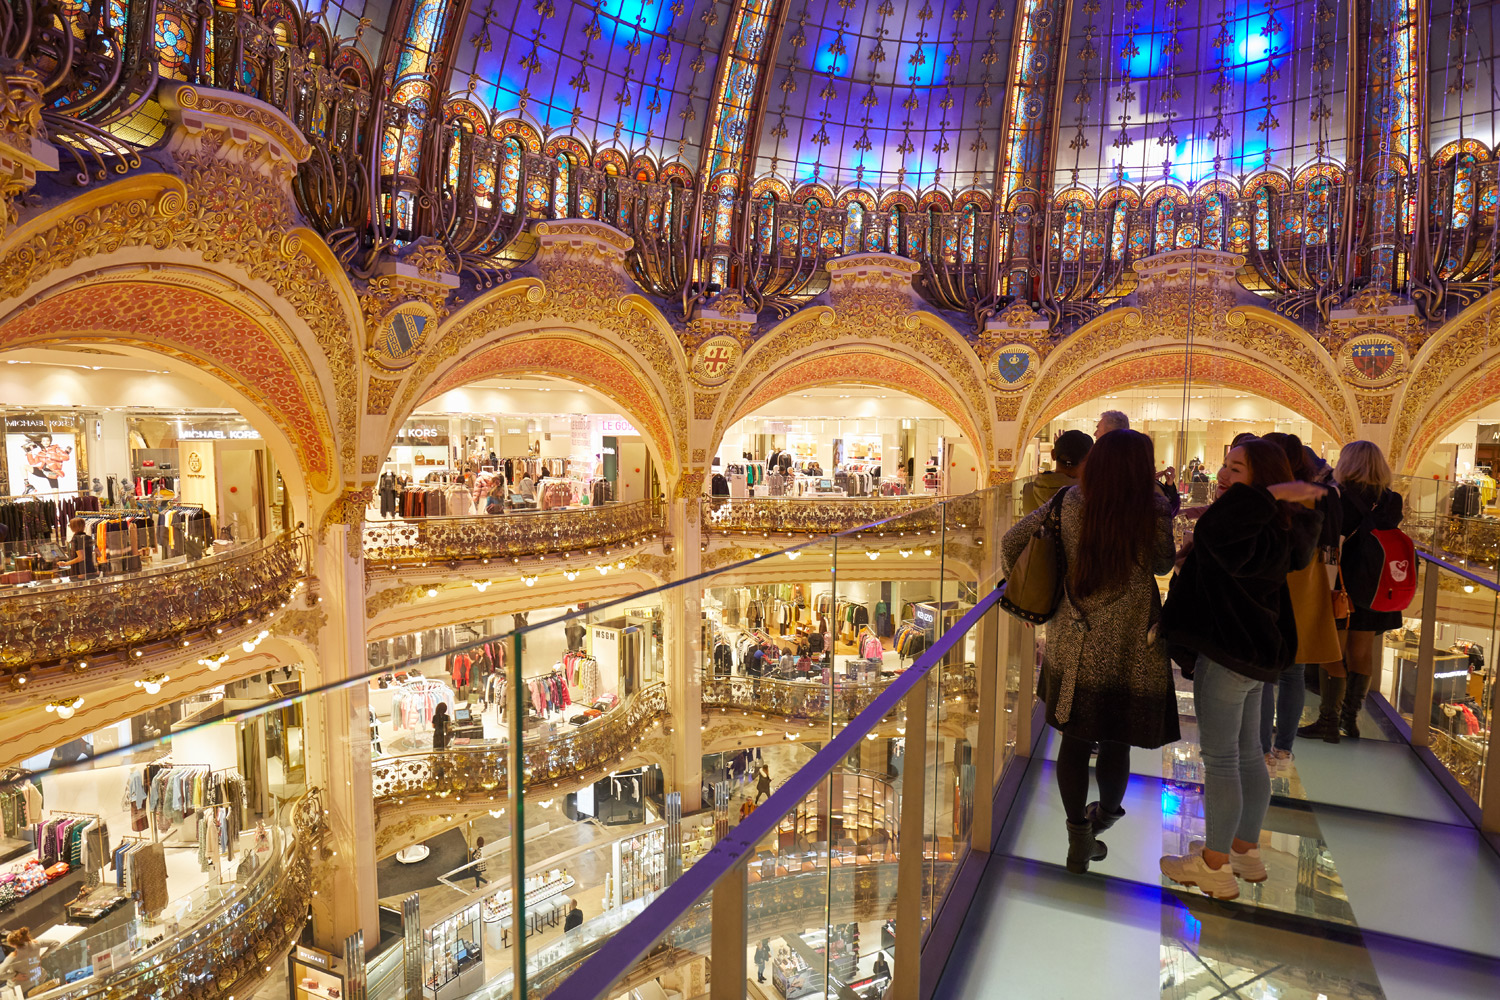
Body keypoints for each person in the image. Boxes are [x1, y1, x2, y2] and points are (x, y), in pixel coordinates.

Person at [1001, 429, 1178, 874]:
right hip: (1132, 638)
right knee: (1117, 739)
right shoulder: (1152, 506)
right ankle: (1107, 815)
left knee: (1074, 742)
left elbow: (1011, 543)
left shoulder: (1068, 501)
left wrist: (1032, 592)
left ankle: (1077, 837)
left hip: (1073, 632)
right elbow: (1162, 563)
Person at [1160, 440, 1323, 899]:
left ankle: (1213, 866)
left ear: (1261, 481)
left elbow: (1223, 541)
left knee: (1223, 762)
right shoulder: (1274, 522)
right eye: (1224, 464)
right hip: (1257, 651)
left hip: (1229, 652)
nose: (1225, 475)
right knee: (1249, 754)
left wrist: (1255, 500)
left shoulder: (1244, 516)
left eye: (1237, 468)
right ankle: (1244, 850)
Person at [1300, 441, 1404, 743]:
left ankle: (1328, 721)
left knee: (1331, 650)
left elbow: (1329, 540)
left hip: (1342, 581)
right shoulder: (1392, 499)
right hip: (1377, 585)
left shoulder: (1337, 496)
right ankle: (1351, 719)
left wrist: (1324, 580)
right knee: (1361, 653)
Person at [1259, 433, 1342, 774]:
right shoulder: (1319, 495)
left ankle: (1262, 748)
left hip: (1271, 582)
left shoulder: (1271, 494)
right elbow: (1330, 543)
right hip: (1306, 585)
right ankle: (1282, 749)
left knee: (1264, 672)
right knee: (1292, 672)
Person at [1021, 429, 1092, 514]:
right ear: (1088, 460)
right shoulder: (1090, 496)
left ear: (1053, 455)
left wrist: (1061, 447)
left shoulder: (1030, 490)